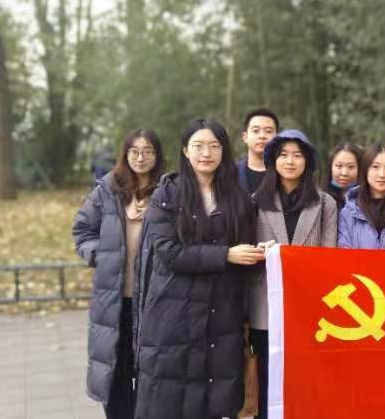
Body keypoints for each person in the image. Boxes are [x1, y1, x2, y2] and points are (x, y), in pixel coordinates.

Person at [134, 118, 264, 419]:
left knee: (214, 402)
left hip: (223, 315)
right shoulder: (167, 194)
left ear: (224, 151)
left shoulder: (238, 198)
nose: (206, 153)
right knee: (170, 402)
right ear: (185, 150)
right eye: (198, 146)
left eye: (214, 146)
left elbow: (243, 253)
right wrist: (225, 255)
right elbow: (169, 253)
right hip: (174, 314)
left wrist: (259, 253)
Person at [73, 129, 166, 419]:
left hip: (154, 301)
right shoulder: (107, 189)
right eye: (134, 151)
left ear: (157, 156)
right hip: (113, 301)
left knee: (151, 376)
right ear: (125, 155)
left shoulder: (168, 190)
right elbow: (82, 231)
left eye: (148, 151)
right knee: (115, 373)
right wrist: (102, 255)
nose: (141, 157)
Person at [249, 129, 337, 419]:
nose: (290, 161)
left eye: (297, 155)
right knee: (267, 379)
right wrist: (262, 252)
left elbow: (328, 256)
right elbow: (246, 251)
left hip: (308, 306)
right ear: (273, 161)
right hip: (265, 305)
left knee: (304, 380)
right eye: (283, 155)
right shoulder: (255, 201)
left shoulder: (325, 203)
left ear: (307, 161)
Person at [238, 108, 280, 195]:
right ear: (245, 137)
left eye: (268, 131)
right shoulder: (230, 173)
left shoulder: (284, 173)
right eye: (256, 131)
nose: (262, 136)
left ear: (277, 138)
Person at [324, 143, 363, 210]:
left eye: (350, 167)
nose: (344, 173)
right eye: (339, 166)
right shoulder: (320, 199)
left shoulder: (367, 200)